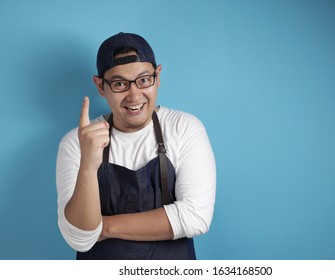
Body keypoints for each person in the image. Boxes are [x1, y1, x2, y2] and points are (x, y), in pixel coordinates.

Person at [56, 32, 216, 260]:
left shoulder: (184, 128)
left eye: (143, 80)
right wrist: (87, 167)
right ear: (100, 86)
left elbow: (195, 217)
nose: (134, 95)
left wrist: (105, 227)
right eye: (120, 83)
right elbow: (79, 238)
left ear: (157, 76)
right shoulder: (76, 142)